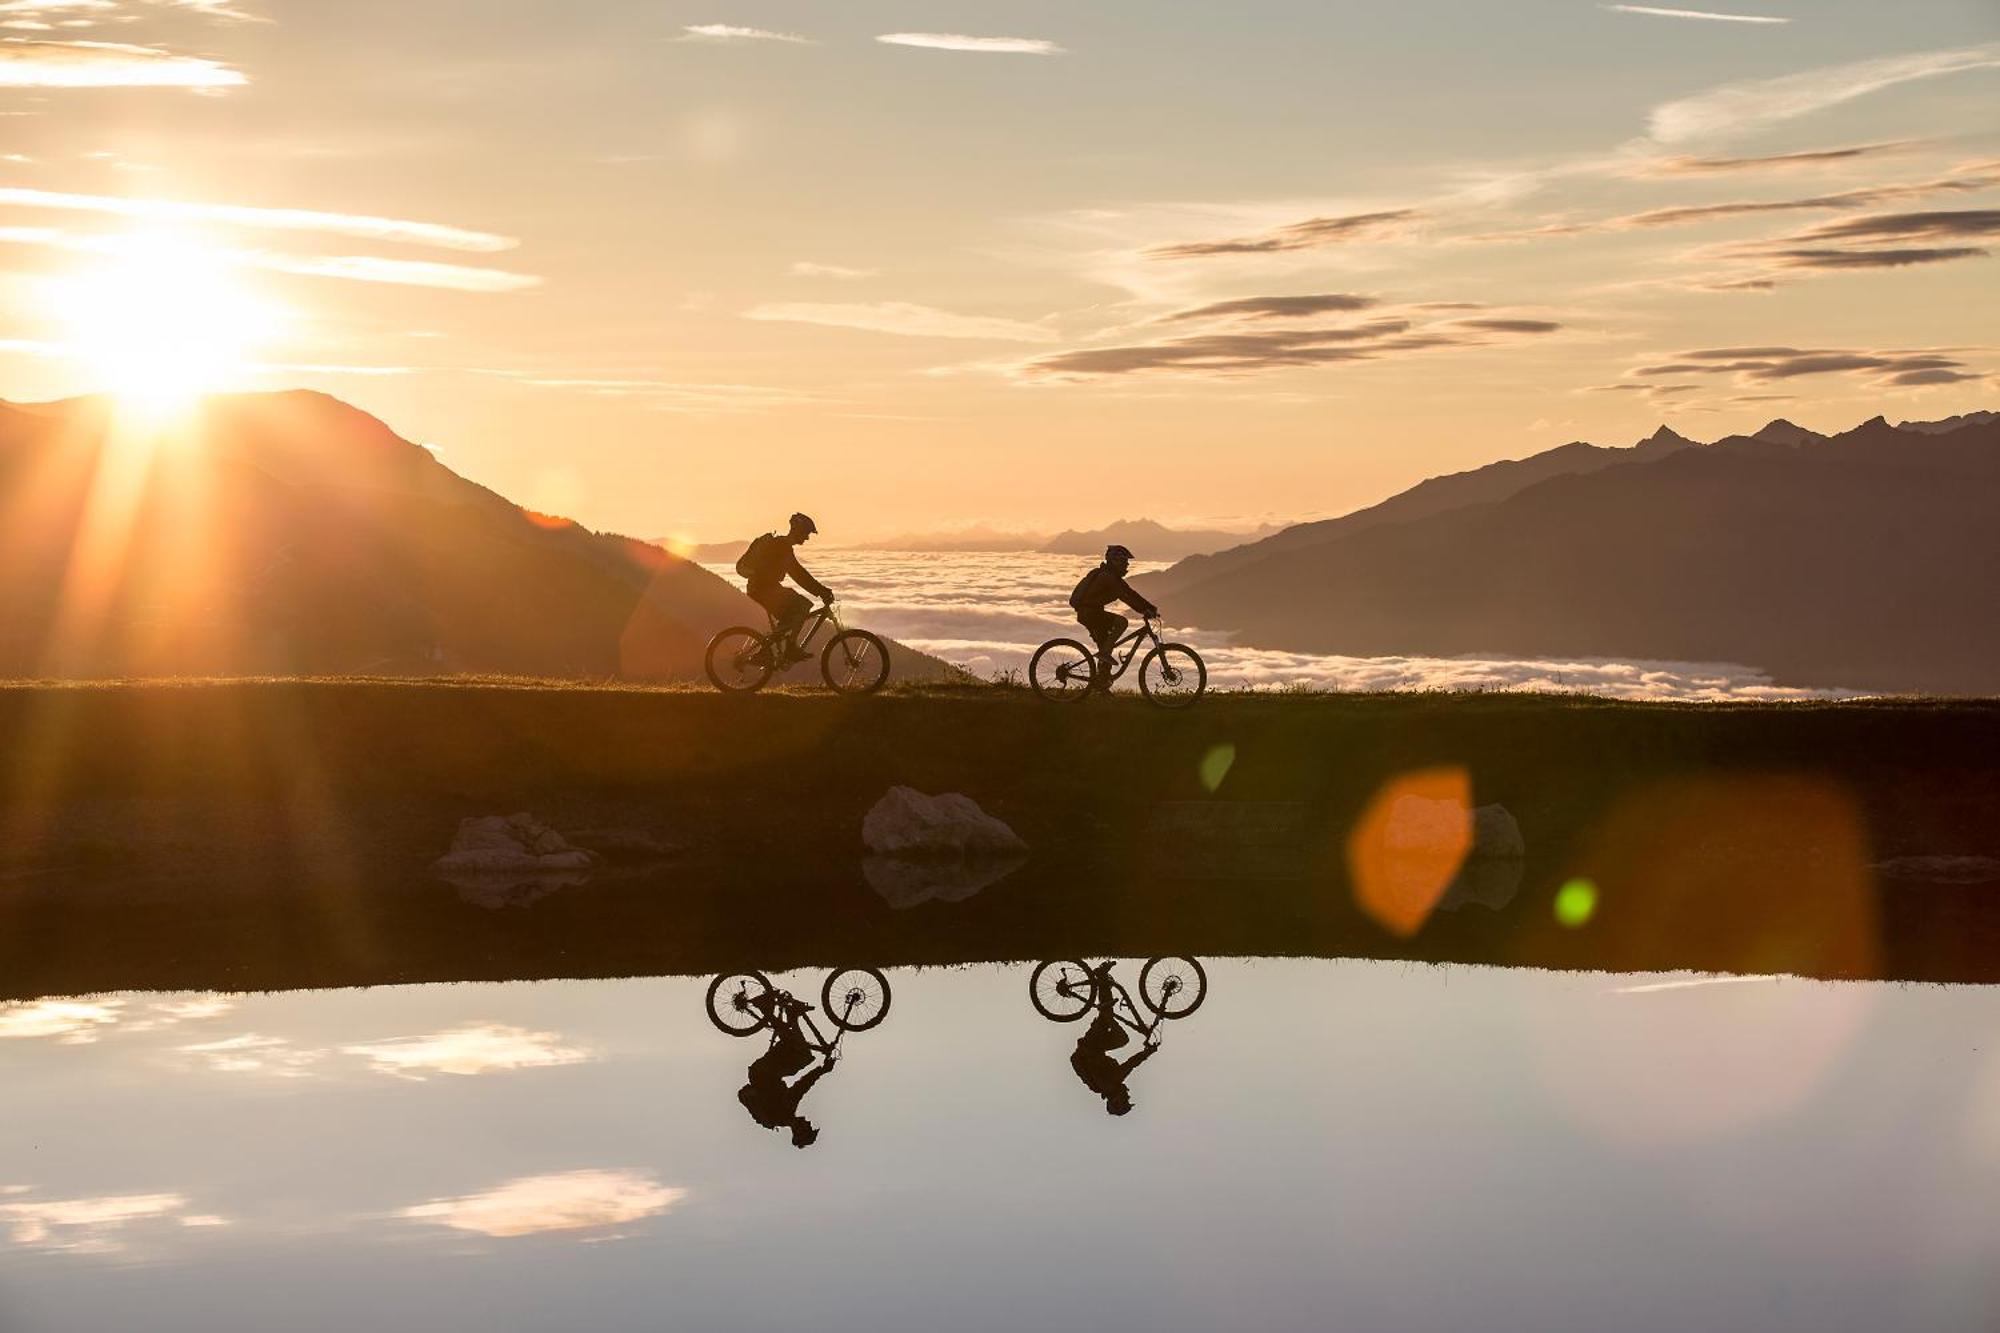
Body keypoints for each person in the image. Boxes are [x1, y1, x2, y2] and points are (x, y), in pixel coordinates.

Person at [736, 991, 833, 1149]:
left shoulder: (778, 1116)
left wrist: (823, 1070)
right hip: (766, 1073)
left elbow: (801, 1087)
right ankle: (775, 1010)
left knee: (803, 1055)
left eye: (808, 1127)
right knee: (795, 1047)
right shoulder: (787, 1112)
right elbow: (802, 1086)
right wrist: (821, 1070)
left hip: (763, 1073)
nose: (808, 1122)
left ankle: (785, 1012)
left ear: (799, 1131)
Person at [737, 512, 833, 665]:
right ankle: (787, 650)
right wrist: (821, 591)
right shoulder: (782, 547)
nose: (807, 538)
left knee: (790, 618)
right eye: (806, 533)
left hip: (763, 588)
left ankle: (772, 651)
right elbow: (799, 575)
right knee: (803, 605)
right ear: (798, 530)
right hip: (764, 590)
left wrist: (820, 590)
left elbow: (798, 573)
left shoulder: (782, 545)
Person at [1068, 962, 1158, 1117]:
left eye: (1125, 1100)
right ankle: (1102, 981)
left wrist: (1147, 1053)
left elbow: (1129, 1065)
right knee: (1111, 1024)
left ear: (1115, 1101)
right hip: (1094, 1047)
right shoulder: (1106, 1086)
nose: (1128, 1096)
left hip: (1092, 1046)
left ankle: (1102, 977)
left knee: (1117, 1031)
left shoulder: (1109, 1084)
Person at [1069, 544, 1159, 678]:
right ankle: (1104, 657)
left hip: (1091, 613)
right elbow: (1125, 596)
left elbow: (1130, 593)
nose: (1127, 564)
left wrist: (1150, 608)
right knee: (1121, 623)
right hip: (1090, 614)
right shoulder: (1108, 577)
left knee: (1106, 646)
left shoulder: (1112, 576)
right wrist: (1143, 610)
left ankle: (1102, 683)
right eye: (1124, 561)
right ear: (1115, 561)